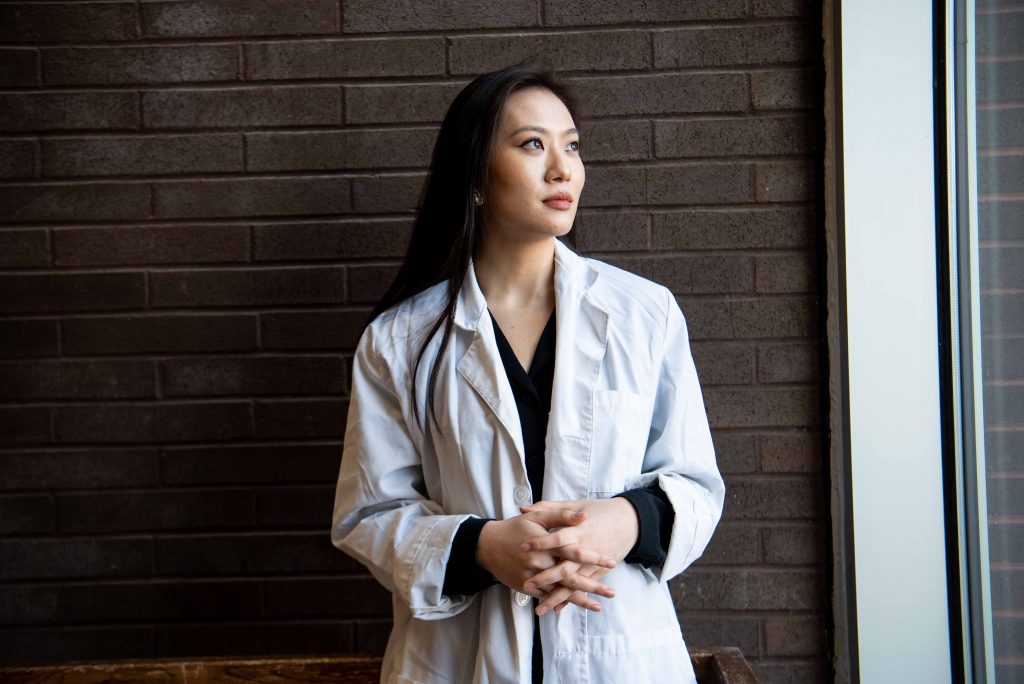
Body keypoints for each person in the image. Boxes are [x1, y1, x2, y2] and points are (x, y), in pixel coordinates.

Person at [331, 63, 725, 684]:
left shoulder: (644, 314)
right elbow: (368, 515)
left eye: (572, 145)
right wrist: (483, 547)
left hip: (621, 653)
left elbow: (698, 486)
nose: (563, 168)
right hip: (459, 659)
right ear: (477, 176)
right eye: (532, 144)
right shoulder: (399, 341)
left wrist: (627, 521)